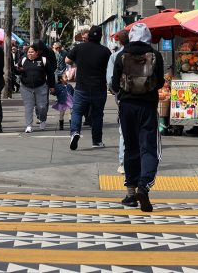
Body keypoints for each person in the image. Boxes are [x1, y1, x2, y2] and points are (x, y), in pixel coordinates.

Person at [111, 23, 165, 212]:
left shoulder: (121, 56)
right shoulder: (155, 56)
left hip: (127, 107)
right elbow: (160, 83)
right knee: (149, 148)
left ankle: (131, 194)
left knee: (130, 148)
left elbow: (114, 85)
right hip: (148, 108)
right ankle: (145, 185)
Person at [65, 25, 112, 150]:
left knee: (77, 112)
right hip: (99, 87)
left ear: (88, 35)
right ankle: (96, 141)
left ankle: (75, 132)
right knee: (97, 115)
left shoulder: (79, 48)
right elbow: (110, 66)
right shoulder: (105, 51)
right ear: (101, 37)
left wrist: (78, 62)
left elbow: (67, 60)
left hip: (82, 88)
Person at [16, 44, 55, 133]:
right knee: (28, 107)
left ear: (37, 53)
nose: (29, 54)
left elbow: (50, 74)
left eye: (32, 52)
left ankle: (42, 120)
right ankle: (29, 125)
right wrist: (17, 70)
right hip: (26, 87)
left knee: (42, 107)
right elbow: (17, 70)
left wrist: (52, 86)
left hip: (41, 86)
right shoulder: (23, 60)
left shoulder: (43, 60)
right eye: (28, 52)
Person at [107, 30, 130, 174]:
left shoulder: (116, 56)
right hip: (144, 98)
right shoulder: (148, 55)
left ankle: (123, 163)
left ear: (120, 41)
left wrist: (116, 93)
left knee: (124, 131)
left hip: (123, 97)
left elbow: (110, 80)